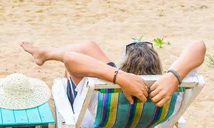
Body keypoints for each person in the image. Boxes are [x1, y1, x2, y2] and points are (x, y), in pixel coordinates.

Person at [20, 39, 206, 119]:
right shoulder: (171, 95)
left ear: (124, 68)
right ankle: (44, 54)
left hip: (94, 115)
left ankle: (45, 54)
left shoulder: (102, 97)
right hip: (145, 116)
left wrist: (119, 77)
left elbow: (70, 58)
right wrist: (173, 77)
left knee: (74, 69)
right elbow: (199, 46)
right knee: (89, 46)